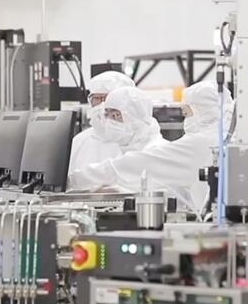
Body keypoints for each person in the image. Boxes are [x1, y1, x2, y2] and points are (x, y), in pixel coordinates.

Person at [69, 81, 234, 212]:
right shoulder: (222, 137)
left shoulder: (201, 142)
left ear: (203, 111)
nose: (185, 120)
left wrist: (72, 180)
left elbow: (133, 165)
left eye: (186, 113)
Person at [67, 71, 136, 174]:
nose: (102, 105)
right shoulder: (79, 142)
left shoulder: (136, 141)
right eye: (96, 98)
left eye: (107, 98)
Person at [96, 86, 167, 154]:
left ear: (136, 116)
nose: (110, 122)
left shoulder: (156, 152)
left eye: (116, 115)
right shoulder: (125, 149)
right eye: (106, 115)